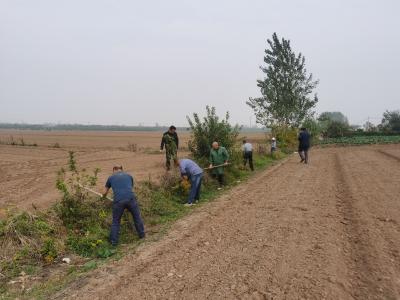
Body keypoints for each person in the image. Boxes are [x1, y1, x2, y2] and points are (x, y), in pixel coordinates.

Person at [103, 166, 145, 246]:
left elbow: (105, 193)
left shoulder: (110, 177)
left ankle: (113, 242)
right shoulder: (129, 176)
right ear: (122, 169)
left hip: (118, 201)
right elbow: (129, 187)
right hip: (131, 199)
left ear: (114, 170)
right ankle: (142, 235)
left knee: (116, 221)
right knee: (137, 217)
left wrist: (103, 196)